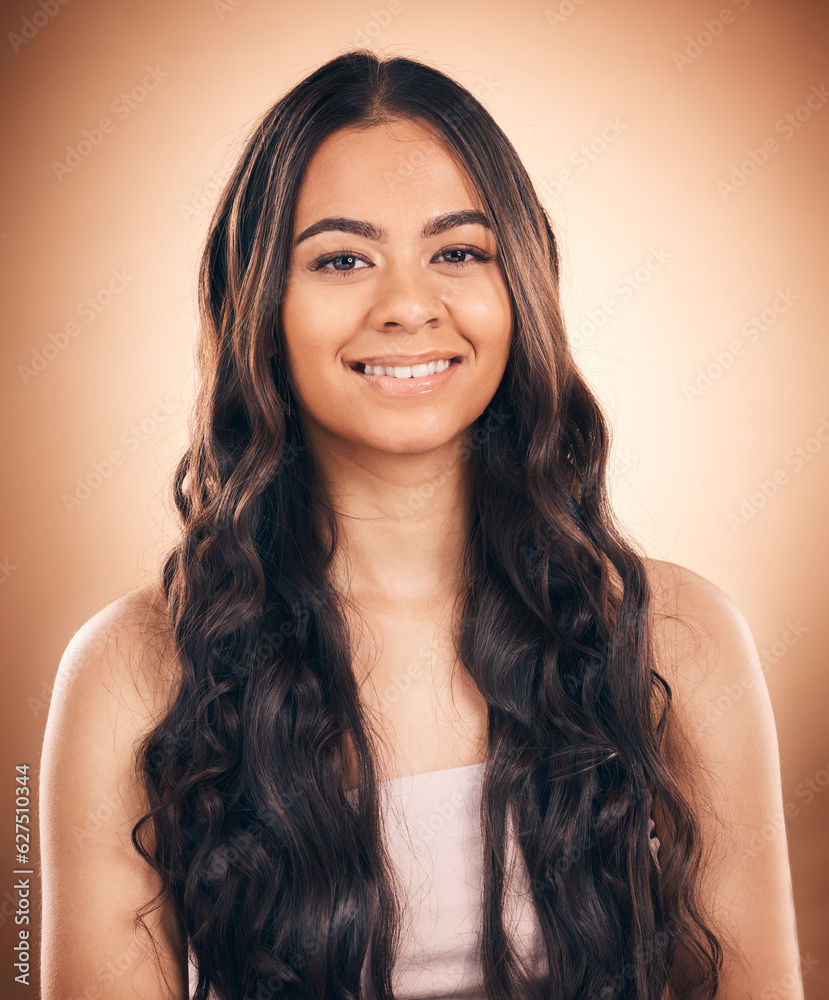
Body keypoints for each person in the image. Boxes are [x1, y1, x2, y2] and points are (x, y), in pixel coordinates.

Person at [40, 49, 803, 1000]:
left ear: (518, 287)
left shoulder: (680, 642)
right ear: (258, 305)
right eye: (342, 259)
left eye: (457, 252)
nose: (406, 306)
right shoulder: (131, 672)